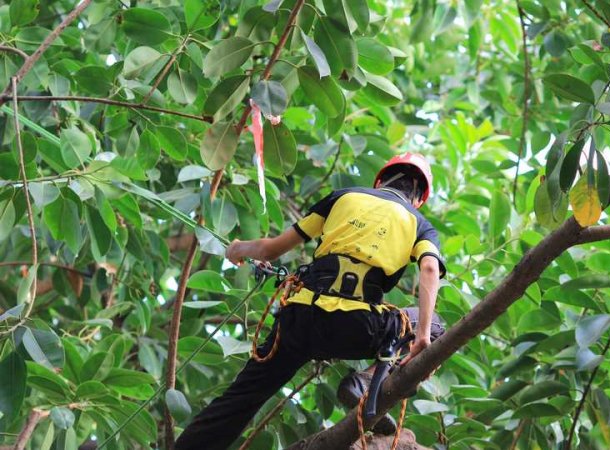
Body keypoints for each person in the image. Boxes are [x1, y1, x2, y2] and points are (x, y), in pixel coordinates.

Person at [175, 153, 446, 450]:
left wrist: (240, 248)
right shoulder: (419, 223)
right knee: (434, 324)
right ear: (419, 199)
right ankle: (365, 383)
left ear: (379, 180)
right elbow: (430, 268)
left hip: (299, 320)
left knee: (240, 399)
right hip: (356, 326)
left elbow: (270, 249)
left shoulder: (342, 197)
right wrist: (421, 339)